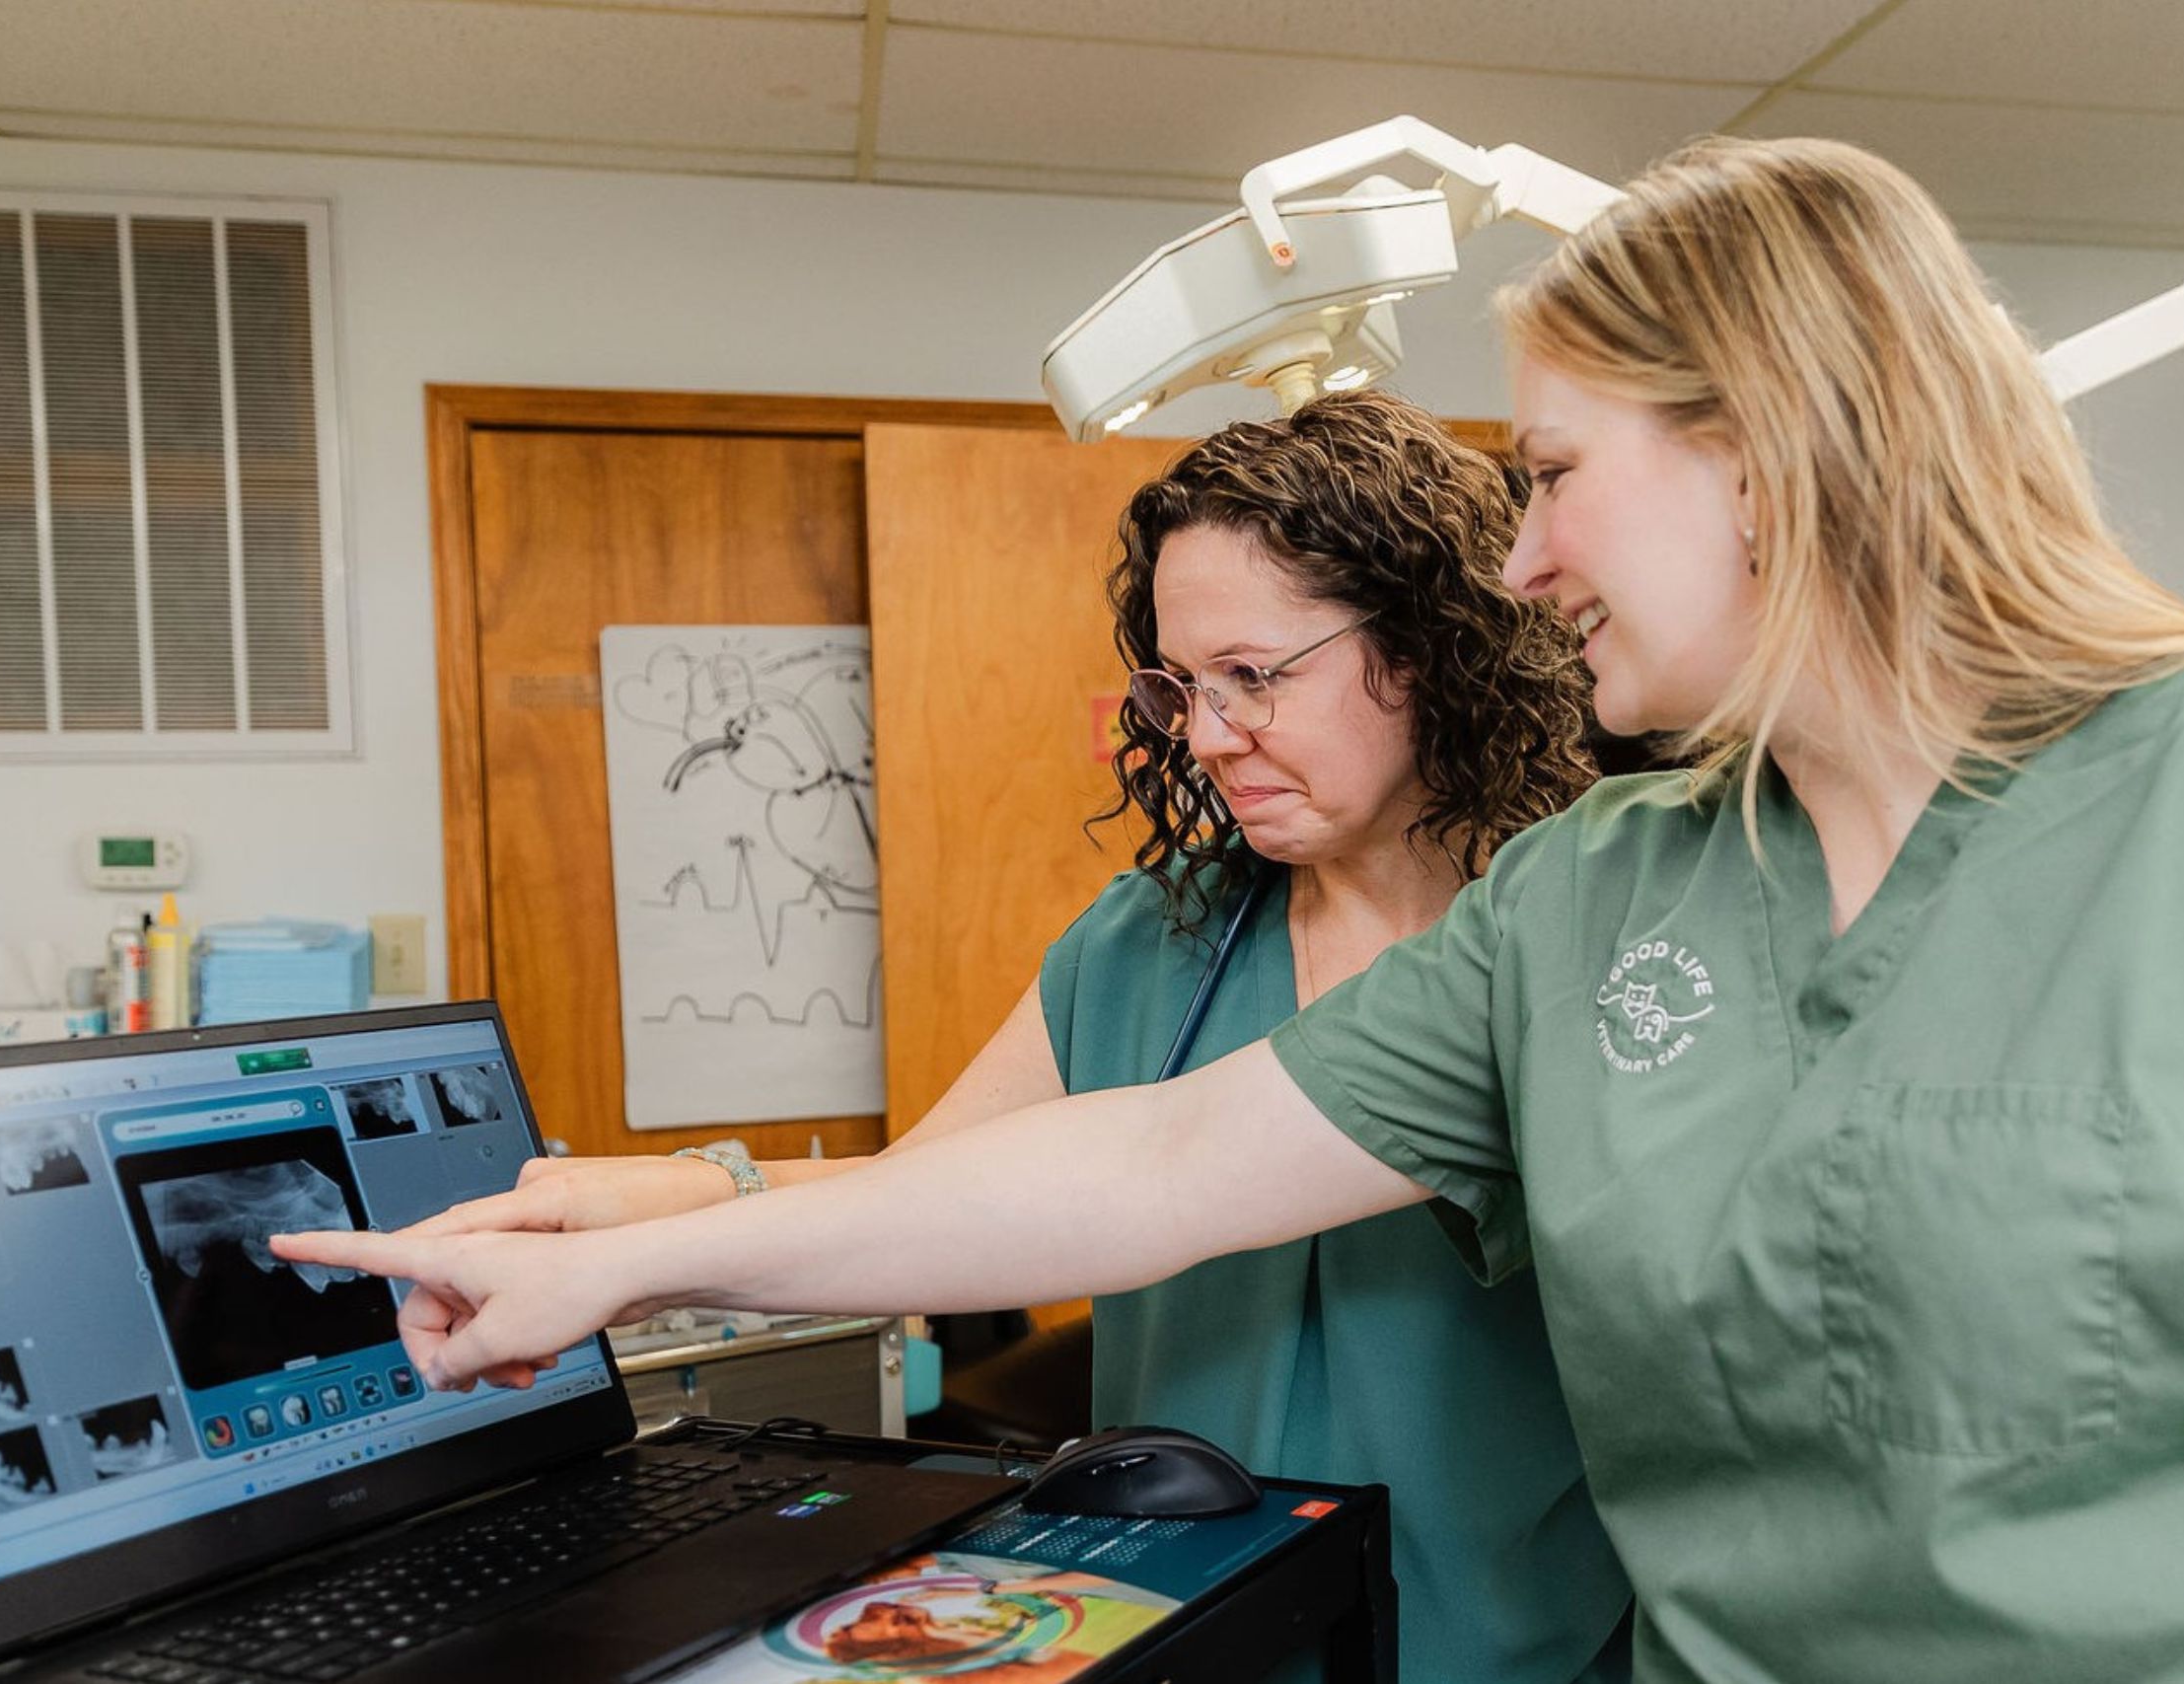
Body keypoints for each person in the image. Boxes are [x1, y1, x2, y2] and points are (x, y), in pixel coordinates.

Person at [281, 135, 2184, 1682]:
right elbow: (1153, 1157)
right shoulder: (1605, 895)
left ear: (1766, 454)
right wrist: (629, 1267)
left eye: (1547, 474)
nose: (1521, 559)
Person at [401, 391, 1633, 1682]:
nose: (1209, 737)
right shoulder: (1154, 938)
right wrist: (639, 1211)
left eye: (1256, 677)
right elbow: (928, 1198)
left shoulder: (1575, 934)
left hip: (1503, 1650)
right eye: (1180, 687)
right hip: (1186, 1629)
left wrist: (656, 1250)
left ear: (1431, 646)